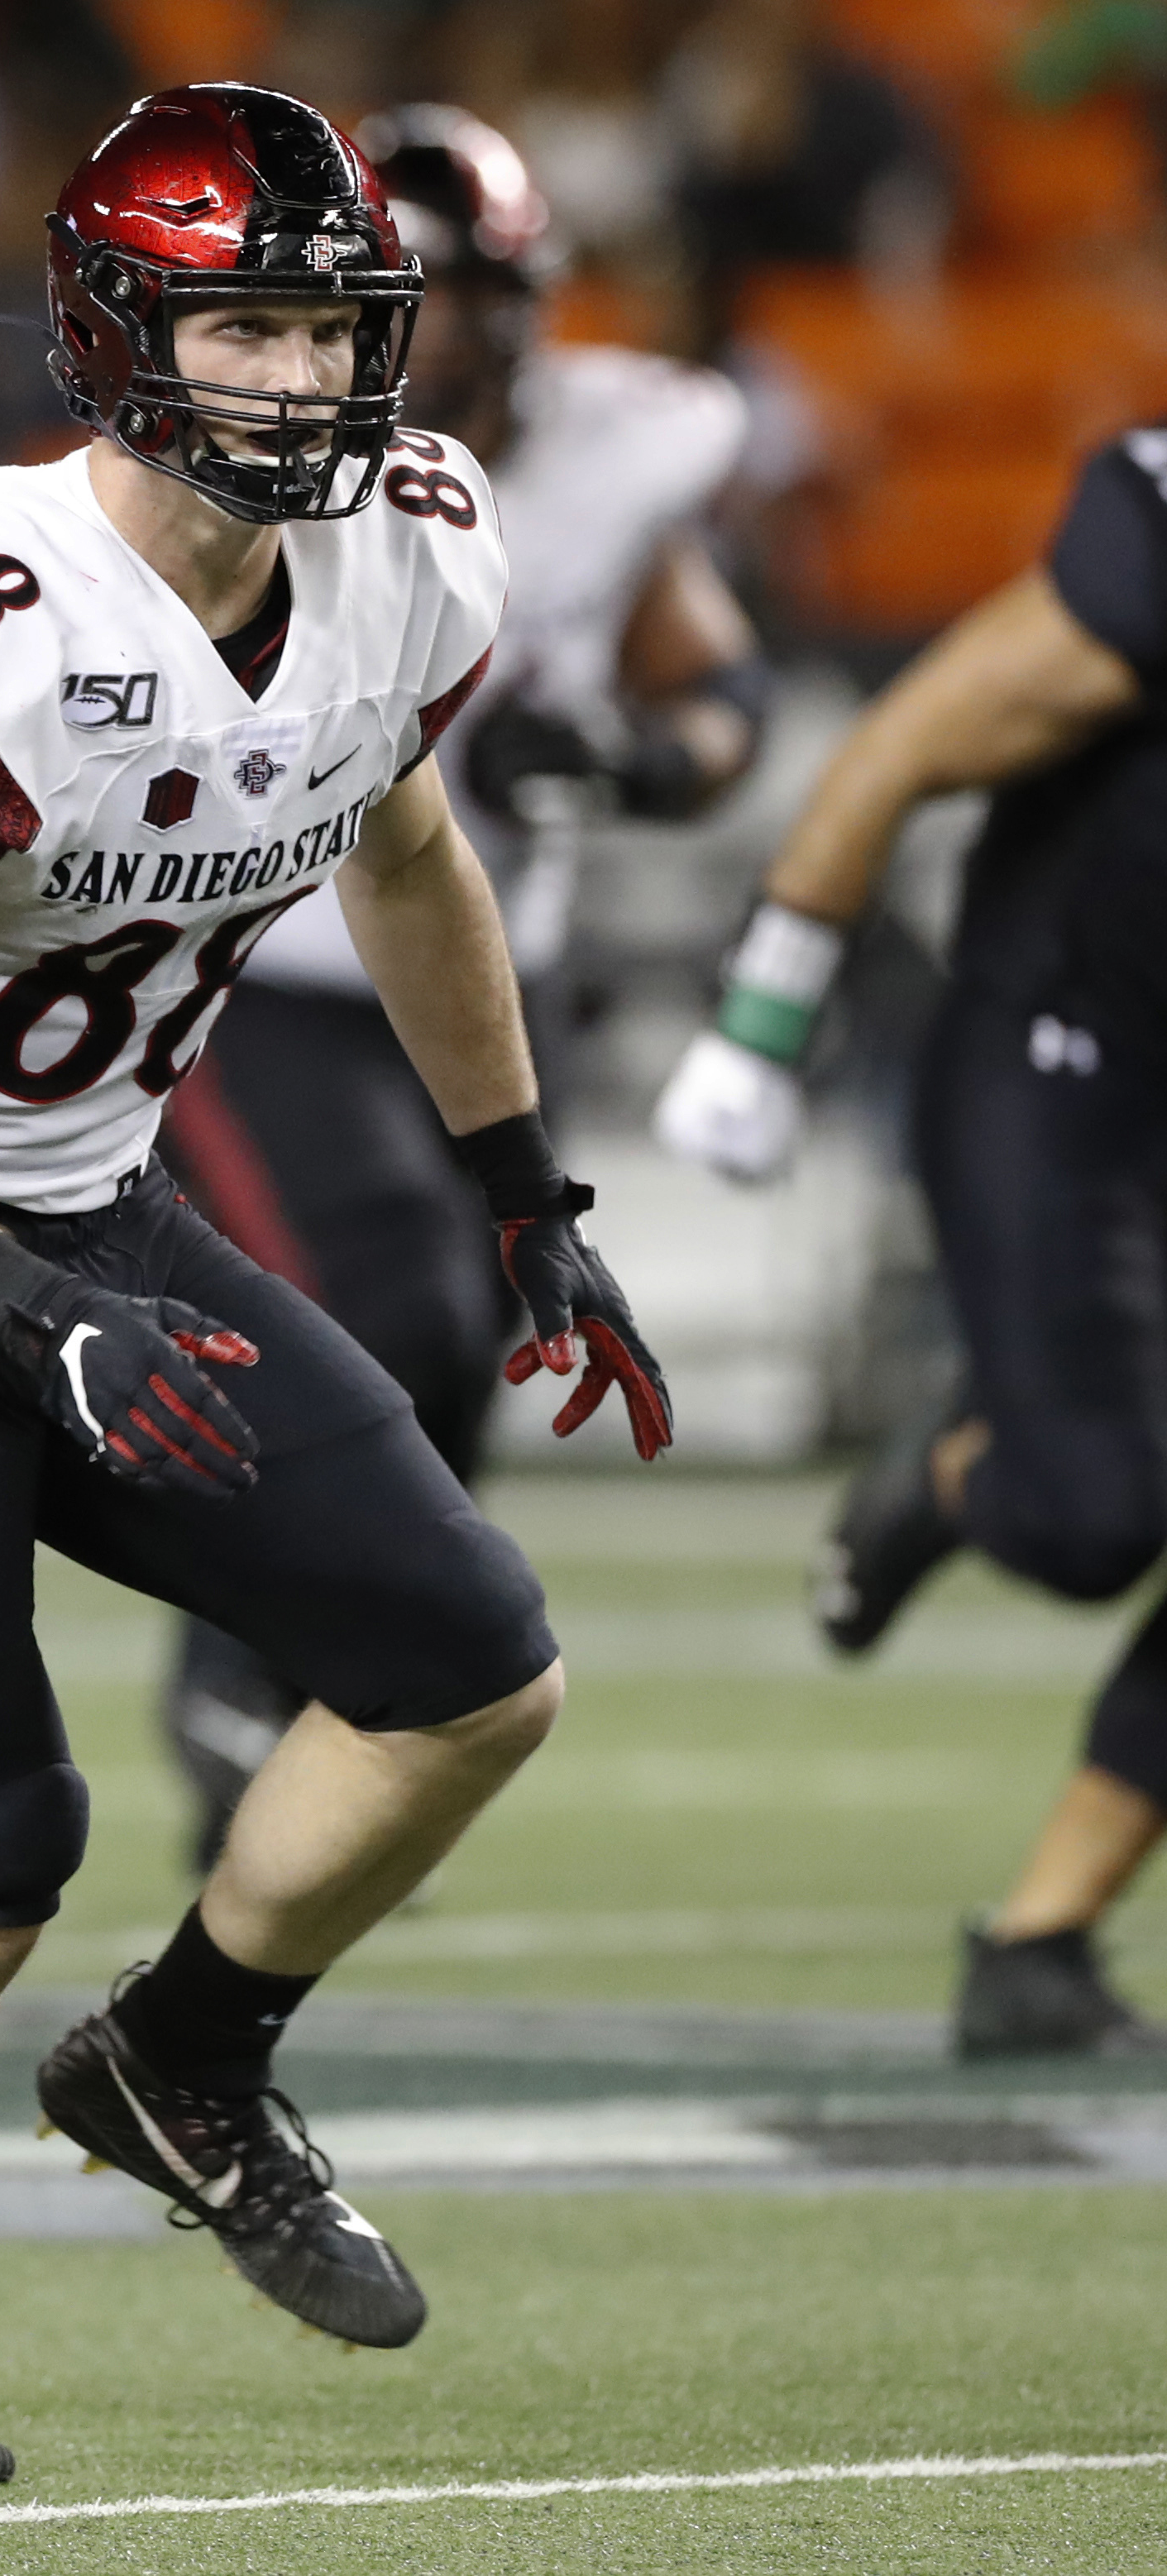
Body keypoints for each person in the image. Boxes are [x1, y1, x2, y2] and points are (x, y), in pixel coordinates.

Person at [0, 84, 669, 2487]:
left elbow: (405, 850)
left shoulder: (417, 546)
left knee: (465, 1668)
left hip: (90, 1204)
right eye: (248, 324)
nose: (303, 379)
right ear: (120, 331)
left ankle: (181, 2056)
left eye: (333, 326)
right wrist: (19, 1311)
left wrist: (519, 1178)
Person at [151, 103, 764, 1863]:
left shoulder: (608, 451)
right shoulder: (249, 458)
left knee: (488, 1328)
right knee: (383, 1315)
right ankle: (253, 1654)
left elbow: (702, 682)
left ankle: (367, 1678)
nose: (447, 331)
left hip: (492, 972)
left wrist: (649, 760)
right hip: (265, 969)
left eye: (470, 292)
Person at [654, 429, 1167, 2061]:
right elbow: (887, 750)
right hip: (1063, 1062)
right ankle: (948, 1475)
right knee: (1095, 1516)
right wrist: (755, 1031)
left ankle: (1036, 1940)